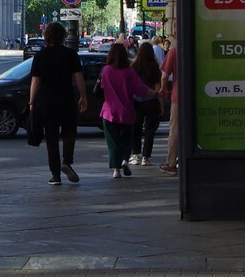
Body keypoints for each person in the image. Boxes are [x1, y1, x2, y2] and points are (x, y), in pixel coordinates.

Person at [27, 21, 88, 186]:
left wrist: (32, 102)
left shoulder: (40, 56)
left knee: (51, 139)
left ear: (47, 37)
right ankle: (67, 162)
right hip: (67, 99)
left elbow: (36, 81)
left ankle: (55, 175)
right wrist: (83, 97)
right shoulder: (71, 54)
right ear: (63, 36)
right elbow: (78, 78)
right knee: (69, 132)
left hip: (47, 102)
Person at [99, 42, 155, 178]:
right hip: (127, 112)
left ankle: (116, 170)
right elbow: (139, 89)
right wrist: (154, 92)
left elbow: (102, 87)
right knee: (127, 139)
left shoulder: (105, 70)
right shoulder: (129, 71)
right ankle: (125, 159)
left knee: (113, 142)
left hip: (109, 112)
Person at [129, 39, 164, 167]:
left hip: (137, 101)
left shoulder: (134, 66)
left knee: (136, 128)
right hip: (151, 101)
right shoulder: (154, 66)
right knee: (150, 130)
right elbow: (158, 86)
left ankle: (135, 155)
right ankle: (146, 157)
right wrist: (160, 104)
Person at [159, 42, 180, 175]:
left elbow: (165, 75)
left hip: (178, 96)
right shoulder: (200, 48)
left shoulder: (174, 51)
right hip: (200, 96)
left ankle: (172, 163)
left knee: (175, 130)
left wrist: (163, 88)